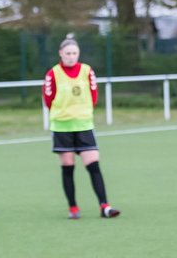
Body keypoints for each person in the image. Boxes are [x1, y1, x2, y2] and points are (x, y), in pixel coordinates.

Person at [43, 34, 121, 219]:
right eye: (68, 53)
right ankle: (73, 208)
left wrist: (83, 113)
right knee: (68, 166)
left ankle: (104, 206)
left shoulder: (87, 71)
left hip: (84, 125)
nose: (71, 56)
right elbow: (48, 98)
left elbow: (93, 95)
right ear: (61, 53)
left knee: (93, 165)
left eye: (74, 53)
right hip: (62, 127)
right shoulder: (53, 73)